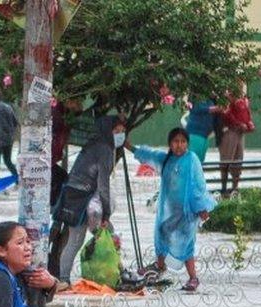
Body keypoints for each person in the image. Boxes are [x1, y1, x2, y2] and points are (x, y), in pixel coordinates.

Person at [126, 127, 217, 292]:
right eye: (176, 141)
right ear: (170, 143)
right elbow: (149, 155)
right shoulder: (166, 159)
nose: (179, 145)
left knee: (187, 242)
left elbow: (198, 185)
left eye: (183, 142)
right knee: (162, 233)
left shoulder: (191, 160)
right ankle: (160, 267)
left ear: (187, 144)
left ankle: (193, 278)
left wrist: (201, 208)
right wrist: (128, 146)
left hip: (188, 211)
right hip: (170, 211)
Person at [56, 115, 127, 282]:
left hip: (73, 196)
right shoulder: (105, 150)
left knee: (77, 240)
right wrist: (107, 214)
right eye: (116, 131)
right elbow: (103, 185)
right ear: (108, 131)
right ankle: (115, 274)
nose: (120, 135)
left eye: (123, 131)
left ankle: (63, 280)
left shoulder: (93, 144)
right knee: (106, 236)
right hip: (84, 201)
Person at [218, 85, 255, 194]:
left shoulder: (243, 99)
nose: (240, 86)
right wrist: (238, 124)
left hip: (240, 133)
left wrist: (249, 123)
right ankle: (224, 188)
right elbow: (226, 113)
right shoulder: (226, 98)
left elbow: (247, 113)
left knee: (238, 159)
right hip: (230, 131)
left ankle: (235, 187)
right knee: (226, 159)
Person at [185, 96, 220, 162]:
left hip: (205, 135)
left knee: (200, 161)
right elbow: (197, 108)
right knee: (193, 160)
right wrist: (215, 108)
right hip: (195, 133)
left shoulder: (210, 99)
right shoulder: (195, 96)